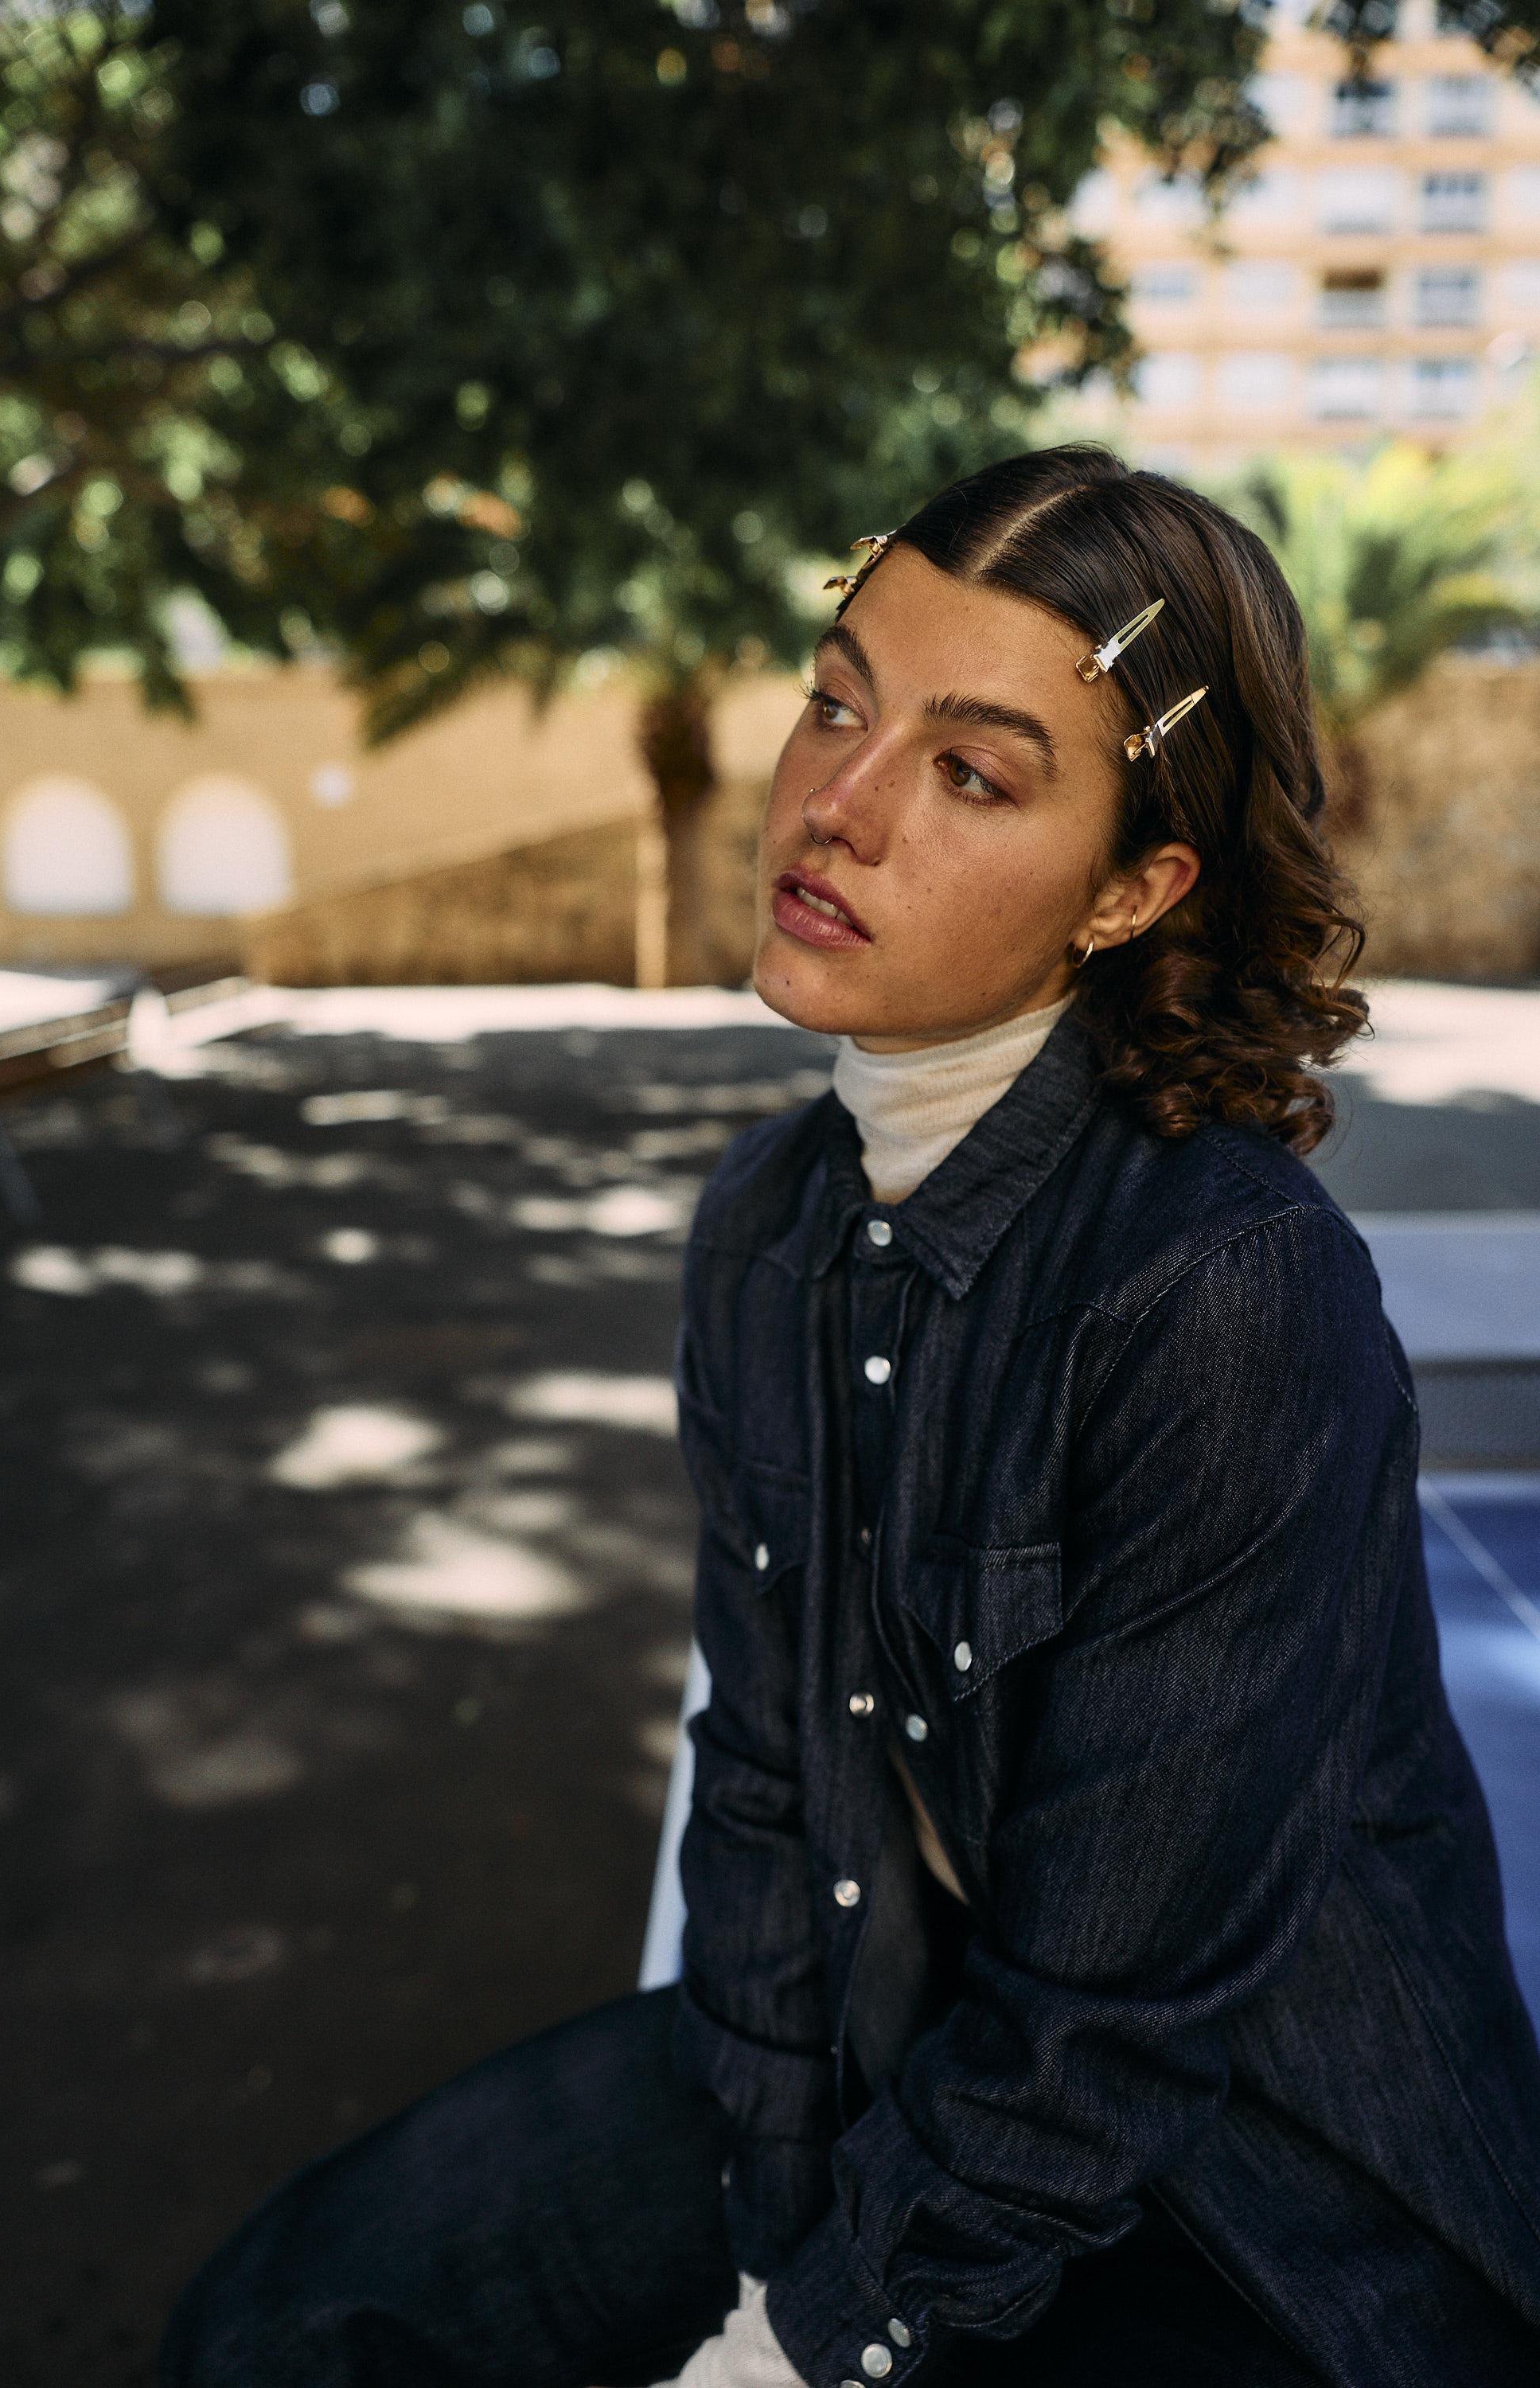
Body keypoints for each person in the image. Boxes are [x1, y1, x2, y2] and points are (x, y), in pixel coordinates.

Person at [161, 447, 1540, 2388]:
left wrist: (800, 2342)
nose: (837, 803)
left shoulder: (1222, 1295)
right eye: (836, 701)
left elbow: (1108, 2031)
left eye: (972, 772)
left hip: (1250, 2201)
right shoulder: (765, 1229)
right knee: (291, 2322)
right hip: (892, 2042)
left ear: (1131, 891)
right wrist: (754, 2175)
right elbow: (763, 1775)